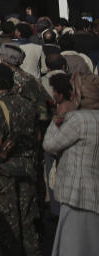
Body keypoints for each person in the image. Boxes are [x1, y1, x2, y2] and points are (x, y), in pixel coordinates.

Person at [0, 61, 40, 256]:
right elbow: (37, 135)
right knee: (27, 217)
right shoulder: (26, 102)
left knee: (9, 220)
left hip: (6, 169)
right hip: (27, 165)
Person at [42, 73, 99, 255]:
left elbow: (49, 144)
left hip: (77, 196)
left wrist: (58, 118)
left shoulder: (78, 120)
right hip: (94, 197)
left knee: (74, 247)